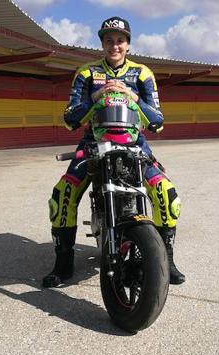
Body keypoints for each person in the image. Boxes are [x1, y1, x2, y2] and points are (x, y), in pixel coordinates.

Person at [43, 16, 185, 288]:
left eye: (120, 40)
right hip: (92, 144)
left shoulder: (142, 73)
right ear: (102, 43)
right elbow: (70, 119)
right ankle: (63, 265)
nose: (115, 45)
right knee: (62, 195)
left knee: (167, 194)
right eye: (109, 40)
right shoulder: (86, 73)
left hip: (135, 144)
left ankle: (166, 260)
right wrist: (96, 98)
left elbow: (157, 122)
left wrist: (134, 98)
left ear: (128, 44)